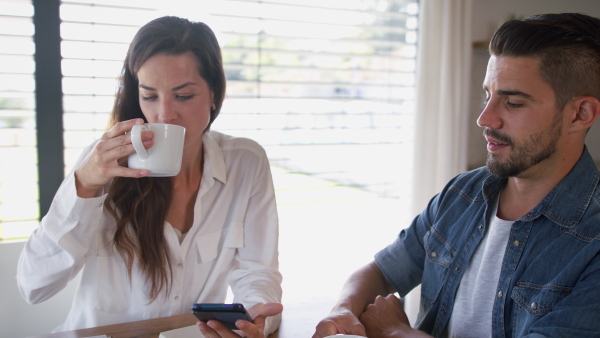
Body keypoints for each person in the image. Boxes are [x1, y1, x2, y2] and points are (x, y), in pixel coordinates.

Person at [313, 12, 600, 338]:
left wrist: (396, 332)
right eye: (488, 94)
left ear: (580, 114)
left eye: (514, 103)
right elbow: (381, 270)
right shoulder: (463, 193)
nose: (485, 118)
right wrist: (344, 309)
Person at [17, 16, 283, 338]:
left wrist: (253, 320)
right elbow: (34, 286)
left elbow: (257, 273)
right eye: (150, 96)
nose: (164, 114)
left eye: (183, 96)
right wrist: (84, 187)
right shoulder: (103, 163)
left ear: (214, 94)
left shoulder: (245, 162)